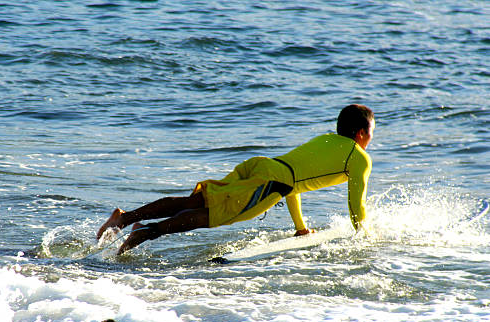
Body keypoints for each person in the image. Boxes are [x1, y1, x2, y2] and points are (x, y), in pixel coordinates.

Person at [97, 104, 375, 254]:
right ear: (362, 133)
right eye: (372, 131)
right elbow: (356, 204)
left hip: (262, 166)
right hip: (271, 183)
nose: (372, 138)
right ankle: (144, 232)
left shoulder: (325, 139)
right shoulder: (359, 157)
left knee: (198, 202)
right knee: (212, 215)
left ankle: (124, 218)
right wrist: (361, 236)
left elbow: (292, 184)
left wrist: (301, 228)